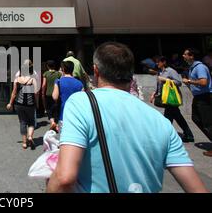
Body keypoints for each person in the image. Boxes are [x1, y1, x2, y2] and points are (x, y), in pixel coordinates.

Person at [47, 42, 208, 193]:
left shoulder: (80, 102)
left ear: (96, 71)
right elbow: (196, 187)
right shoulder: (160, 121)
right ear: (130, 74)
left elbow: (64, 178)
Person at [150, 56, 194, 142]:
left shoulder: (171, 71)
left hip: (171, 97)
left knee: (169, 118)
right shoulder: (160, 72)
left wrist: (165, 79)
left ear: (164, 62)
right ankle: (188, 135)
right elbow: (160, 85)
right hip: (165, 97)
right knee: (177, 117)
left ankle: (166, 136)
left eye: (158, 61)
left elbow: (179, 82)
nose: (157, 63)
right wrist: (155, 93)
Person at [182, 48, 212, 157]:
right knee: (196, 118)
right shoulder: (193, 68)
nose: (183, 56)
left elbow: (204, 82)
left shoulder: (200, 67)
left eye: (185, 54)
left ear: (191, 56)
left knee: (207, 123)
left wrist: (189, 81)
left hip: (204, 97)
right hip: (199, 97)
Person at [7, 60, 39, 150]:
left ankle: (24, 143)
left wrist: (10, 103)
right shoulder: (32, 79)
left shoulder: (17, 79)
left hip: (19, 104)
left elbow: (14, 93)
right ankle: (30, 137)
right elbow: (36, 93)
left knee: (22, 122)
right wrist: (37, 103)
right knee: (31, 122)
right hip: (30, 103)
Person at [51, 61, 83, 133]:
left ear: (63, 69)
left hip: (62, 114)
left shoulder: (58, 81)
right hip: (76, 115)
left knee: (63, 138)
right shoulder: (79, 83)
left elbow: (55, 97)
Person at [42, 60, 61, 130]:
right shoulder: (58, 74)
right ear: (54, 66)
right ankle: (55, 123)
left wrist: (43, 92)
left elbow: (44, 85)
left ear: (47, 66)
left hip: (48, 94)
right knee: (56, 108)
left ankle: (52, 122)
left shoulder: (45, 74)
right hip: (57, 94)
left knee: (49, 109)